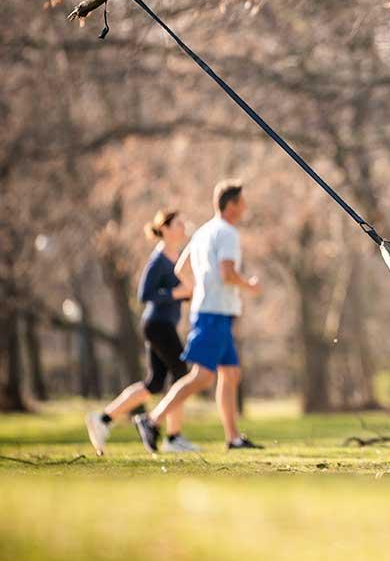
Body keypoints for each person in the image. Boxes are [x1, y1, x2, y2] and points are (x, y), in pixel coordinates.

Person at [134, 180, 263, 452]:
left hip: (215, 312)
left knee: (230, 374)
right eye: (242, 201)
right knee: (202, 377)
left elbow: (182, 268)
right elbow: (227, 273)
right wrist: (249, 286)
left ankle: (233, 438)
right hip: (214, 313)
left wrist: (199, 288)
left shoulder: (204, 231)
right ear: (231, 205)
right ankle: (151, 420)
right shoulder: (227, 232)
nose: (246, 206)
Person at [84, 209, 199, 455]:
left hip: (162, 325)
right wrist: (176, 294)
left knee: (155, 383)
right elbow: (144, 295)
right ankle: (173, 437)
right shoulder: (158, 259)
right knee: (181, 374)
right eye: (178, 224)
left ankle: (103, 419)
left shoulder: (175, 258)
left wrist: (188, 294)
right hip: (157, 325)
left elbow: (179, 294)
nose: (183, 228)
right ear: (165, 229)